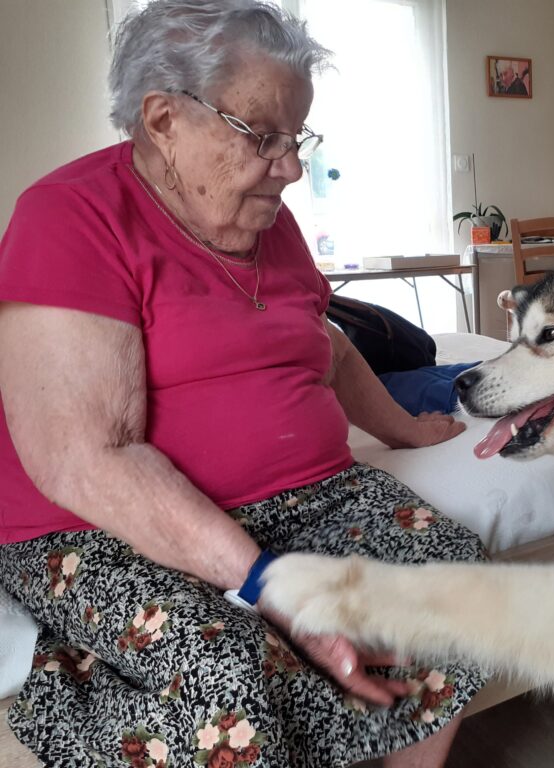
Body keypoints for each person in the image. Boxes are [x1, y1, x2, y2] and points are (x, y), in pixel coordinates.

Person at [0, 1, 486, 766]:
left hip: (305, 499)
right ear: (163, 120)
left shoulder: (269, 220)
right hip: (104, 530)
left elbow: (324, 347)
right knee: (231, 674)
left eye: (299, 138)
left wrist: (405, 427)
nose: (291, 168)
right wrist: (270, 587)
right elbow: (86, 458)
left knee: (457, 582)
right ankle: (65, 698)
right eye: (265, 137)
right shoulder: (70, 218)